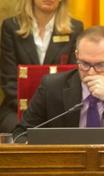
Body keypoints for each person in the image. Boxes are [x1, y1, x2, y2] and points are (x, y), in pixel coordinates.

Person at [13, 25, 104, 142]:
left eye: (100, 65)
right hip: (64, 167)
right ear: (77, 56)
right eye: (84, 64)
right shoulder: (52, 87)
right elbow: (21, 134)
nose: (91, 72)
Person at [0, 0, 83, 133]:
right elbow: (9, 80)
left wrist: (50, 110)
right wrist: (33, 111)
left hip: (59, 108)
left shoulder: (75, 28)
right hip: (18, 107)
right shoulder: (11, 26)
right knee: (17, 129)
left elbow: (73, 78)